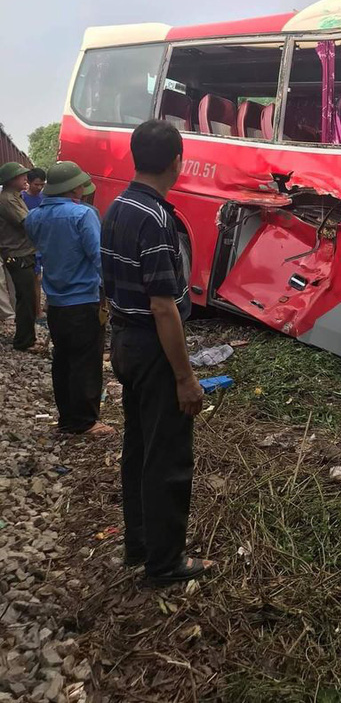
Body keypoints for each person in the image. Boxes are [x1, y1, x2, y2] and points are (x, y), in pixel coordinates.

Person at [101, 120, 210, 585]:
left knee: (139, 445)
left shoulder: (116, 208)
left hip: (124, 342)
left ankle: (139, 544)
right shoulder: (158, 219)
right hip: (151, 346)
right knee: (167, 456)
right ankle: (165, 565)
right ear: (176, 162)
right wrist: (185, 377)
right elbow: (164, 308)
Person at [25, 161, 114, 436]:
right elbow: (98, 258)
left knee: (62, 359)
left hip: (55, 301)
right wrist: (113, 291)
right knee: (86, 360)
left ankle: (67, 419)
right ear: (75, 187)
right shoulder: (82, 215)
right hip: (84, 299)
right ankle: (86, 422)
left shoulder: (34, 218)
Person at [0, 162, 37, 350]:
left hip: (22, 253)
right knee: (26, 298)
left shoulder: (15, 196)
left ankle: (27, 338)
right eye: (21, 175)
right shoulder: (7, 199)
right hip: (17, 254)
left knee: (27, 297)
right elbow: (27, 222)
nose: (25, 178)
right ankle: (24, 341)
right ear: (11, 179)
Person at [22, 168, 46, 319]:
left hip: (43, 243)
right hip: (28, 245)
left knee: (43, 277)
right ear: (29, 182)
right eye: (36, 184)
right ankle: (36, 311)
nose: (39, 187)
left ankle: (42, 308)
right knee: (35, 279)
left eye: (42, 185)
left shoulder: (44, 198)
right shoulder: (21, 199)